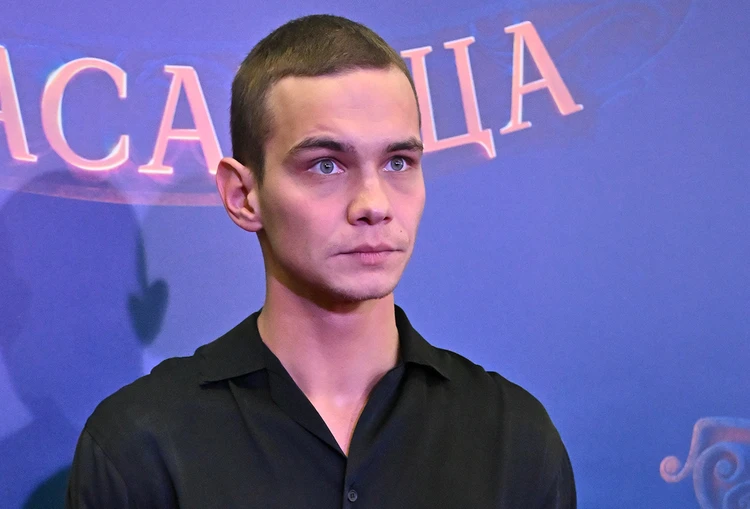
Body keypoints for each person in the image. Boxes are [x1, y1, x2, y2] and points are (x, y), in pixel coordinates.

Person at [66, 14, 575, 508]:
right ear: (243, 195)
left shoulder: (512, 437)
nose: (374, 204)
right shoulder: (141, 447)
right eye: (326, 165)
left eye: (398, 162)